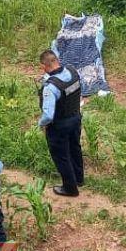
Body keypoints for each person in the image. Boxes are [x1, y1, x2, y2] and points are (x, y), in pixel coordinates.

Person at [37, 49, 84, 197]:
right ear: (57, 60)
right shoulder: (72, 71)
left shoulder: (50, 88)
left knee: (61, 156)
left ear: (44, 66)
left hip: (60, 125)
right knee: (75, 148)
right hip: (76, 118)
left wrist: (41, 124)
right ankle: (79, 179)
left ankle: (70, 188)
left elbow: (48, 115)